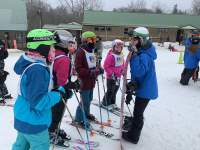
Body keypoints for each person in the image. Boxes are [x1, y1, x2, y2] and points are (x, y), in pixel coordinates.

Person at [12, 29, 70, 150]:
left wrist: (58, 88)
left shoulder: (31, 61)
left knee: (20, 146)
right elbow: (38, 102)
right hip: (35, 122)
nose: (54, 50)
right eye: (51, 47)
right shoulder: (38, 70)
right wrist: (58, 94)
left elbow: (35, 89)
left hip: (23, 117)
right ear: (42, 48)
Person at [122, 27, 158, 144]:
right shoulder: (143, 52)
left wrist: (136, 55)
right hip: (143, 87)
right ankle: (134, 128)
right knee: (138, 112)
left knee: (138, 113)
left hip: (146, 90)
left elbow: (138, 72)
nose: (131, 41)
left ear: (141, 41)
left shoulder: (144, 55)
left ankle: (133, 136)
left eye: (134, 39)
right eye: (131, 38)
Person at [48, 30, 79, 145]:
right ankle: (51, 132)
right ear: (63, 42)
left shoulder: (54, 53)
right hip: (59, 91)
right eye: (70, 43)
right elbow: (62, 80)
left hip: (52, 90)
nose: (71, 46)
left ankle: (54, 129)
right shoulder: (64, 59)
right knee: (57, 112)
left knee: (53, 112)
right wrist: (72, 85)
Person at [74, 31, 104, 128]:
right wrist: (90, 72)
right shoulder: (80, 52)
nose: (94, 41)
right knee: (84, 101)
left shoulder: (91, 51)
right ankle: (79, 119)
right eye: (91, 39)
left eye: (95, 39)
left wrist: (98, 69)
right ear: (85, 40)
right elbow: (78, 69)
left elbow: (93, 64)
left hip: (91, 81)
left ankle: (86, 114)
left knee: (89, 99)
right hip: (84, 81)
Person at [101, 39, 125, 110]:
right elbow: (106, 66)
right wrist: (111, 73)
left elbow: (122, 64)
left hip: (118, 77)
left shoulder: (121, 55)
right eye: (117, 47)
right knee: (110, 90)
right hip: (111, 77)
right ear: (113, 47)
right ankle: (105, 102)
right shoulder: (111, 56)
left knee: (115, 90)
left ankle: (112, 102)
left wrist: (123, 71)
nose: (118, 49)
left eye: (120, 47)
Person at [0, 39, 11, 104]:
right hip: (1, 62)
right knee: (1, 78)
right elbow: (6, 54)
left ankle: (1, 97)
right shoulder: (2, 42)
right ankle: (5, 93)